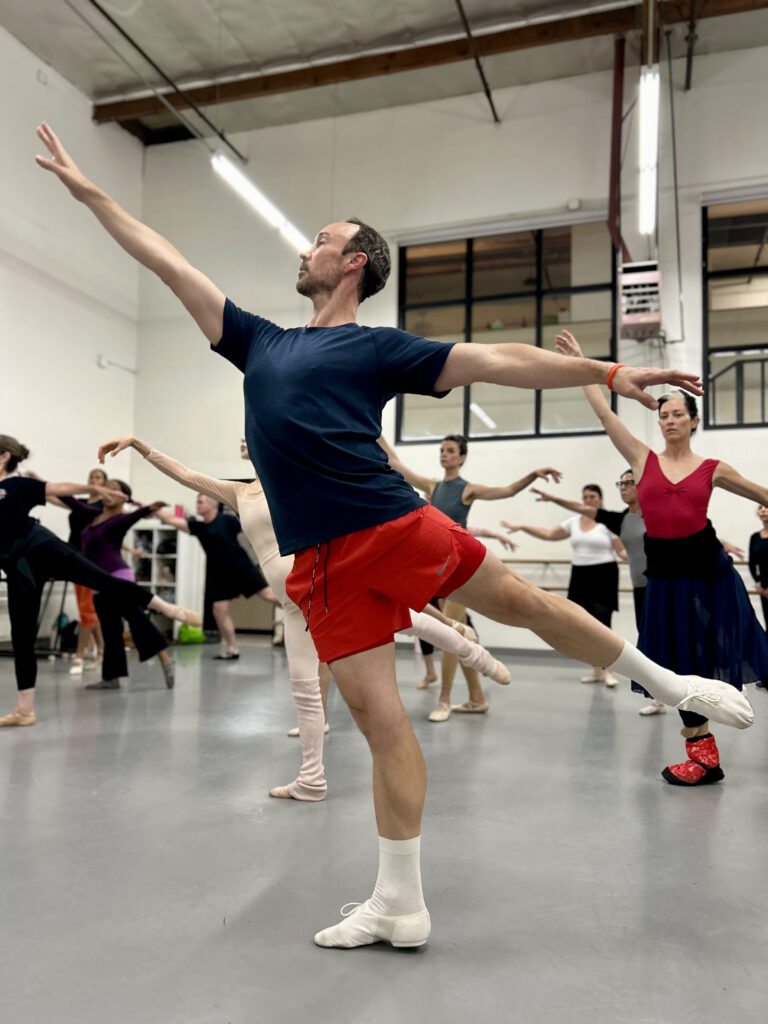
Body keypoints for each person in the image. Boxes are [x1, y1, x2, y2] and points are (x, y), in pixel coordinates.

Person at [36, 123, 754, 951]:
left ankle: (670, 685)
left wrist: (608, 373)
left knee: (520, 601)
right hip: (321, 566)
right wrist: (89, 192)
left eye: (321, 240)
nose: (305, 250)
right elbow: (166, 260)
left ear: (353, 264)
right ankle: (400, 904)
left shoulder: (377, 348)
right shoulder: (257, 340)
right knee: (381, 725)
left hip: (387, 521)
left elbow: (499, 360)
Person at [97, 434, 510, 802]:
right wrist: (141, 446)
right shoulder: (238, 493)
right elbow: (186, 475)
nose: (251, 445)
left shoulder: (296, 481)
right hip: (292, 603)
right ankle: (312, 780)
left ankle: (475, 654)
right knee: (306, 689)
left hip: (325, 583)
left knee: (407, 619)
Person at [555, 330, 768, 786]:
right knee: (674, 671)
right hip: (666, 582)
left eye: (677, 415)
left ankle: (707, 753)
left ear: (693, 421)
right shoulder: (641, 458)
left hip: (710, 577)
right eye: (664, 415)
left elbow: (762, 493)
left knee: (735, 654)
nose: (669, 421)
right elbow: (602, 411)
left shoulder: (712, 469)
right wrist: (581, 365)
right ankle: (704, 758)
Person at [0, 433, 200, 727]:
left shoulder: (16, 485)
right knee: (22, 637)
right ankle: (24, 709)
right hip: (17, 567)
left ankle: (168, 608)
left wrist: (94, 488)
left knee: (103, 581)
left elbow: (60, 489)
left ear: (5, 456)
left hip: (42, 548)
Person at [379, 433, 555, 720]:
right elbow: (397, 464)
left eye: (450, 451)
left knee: (450, 633)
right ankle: (476, 697)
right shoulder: (433, 486)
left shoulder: (467, 489)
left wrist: (532, 475)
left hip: (458, 569)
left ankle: (445, 698)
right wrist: (377, 432)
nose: (444, 454)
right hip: (434, 570)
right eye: (442, 450)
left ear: (462, 457)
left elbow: (507, 490)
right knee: (462, 634)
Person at [525, 470, 662, 710]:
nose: (624, 487)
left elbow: (685, 529)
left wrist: (719, 545)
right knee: (647, 637)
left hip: (660, 582)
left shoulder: (653, 514)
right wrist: (552, 500)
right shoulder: (619, 520)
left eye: (630, 482)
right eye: (621, 483)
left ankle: (718, 683)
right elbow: (583, 514)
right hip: (639, 585)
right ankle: (656, 696)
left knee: (675, 635)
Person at [58, 480, 176, 690]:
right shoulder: (92, 516)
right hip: (97, 582)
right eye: (106, 488)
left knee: (136, 619)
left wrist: (150, 507)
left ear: (124, 497)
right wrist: (42, 485)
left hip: (118, 577)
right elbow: (70, 501)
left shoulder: (120, 519)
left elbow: (135, 516)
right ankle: (111, 677)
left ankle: (165, 658)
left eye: (114, 489)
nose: (108, 492)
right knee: (110, 628)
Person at [503, 483, 625, 687]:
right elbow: (549, 534)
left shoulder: (606, 523)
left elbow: (620, 550)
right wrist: (522, 527)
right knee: (584, 624)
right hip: (580, 574)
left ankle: (608, 671)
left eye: (593, 497)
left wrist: (637, 557)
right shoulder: (574, 522)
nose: (588, 500)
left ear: (601, 499)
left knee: (604, 623)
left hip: (604, 574)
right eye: (585, 497)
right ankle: (596, 669)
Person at [155, 494, 277, 660]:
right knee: (218, 610)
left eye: (200, 502)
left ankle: (301, 611)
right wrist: (153, 509)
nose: (197, 505)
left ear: (211, 505)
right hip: (218, 574)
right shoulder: (198, 527)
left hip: (240, 566)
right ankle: (232, 648)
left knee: (268, 595)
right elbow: (172, 520)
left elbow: (250, 533)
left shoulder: (227, 520)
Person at [748, 505, 768, 633]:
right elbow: (752, 564)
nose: (763, 510)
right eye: (760, 508)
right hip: (764, 588)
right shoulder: (755, 537)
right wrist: (759, 584)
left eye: (767, 507)